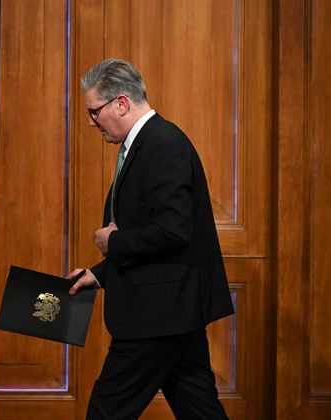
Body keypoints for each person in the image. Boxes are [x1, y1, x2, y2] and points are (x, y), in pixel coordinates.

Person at [68, 59, 234, 419]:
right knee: (199, 409)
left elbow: (173, 230)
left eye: (95, 111)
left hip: (156, 314)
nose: (91, 121)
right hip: (173, 311)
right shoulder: (148, 143)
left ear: (122, 103)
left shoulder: (162, 145)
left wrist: (115, 243)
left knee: (106, 411)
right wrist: (99, 274)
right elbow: (153, 228)